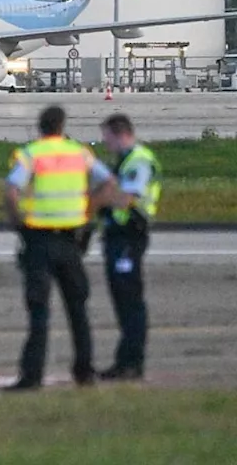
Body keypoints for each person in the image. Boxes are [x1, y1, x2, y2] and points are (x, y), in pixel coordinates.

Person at [2, 105, 116, 392]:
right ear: (62, 126)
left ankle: (32, 376)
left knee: (39, 311)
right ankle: (84, 371)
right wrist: (88, 212)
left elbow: (11, 190)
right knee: (78, 309)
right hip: (70, 240)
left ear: (40, 127)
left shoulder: (31, 154)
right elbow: (109, 183)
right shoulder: (79, 153)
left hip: (38, 239)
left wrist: (19, 223)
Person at [97, 113, 161, 381]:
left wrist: (101, 197)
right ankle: (125, 360)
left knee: (130, 299)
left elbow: (127, 199)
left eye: (107, 138)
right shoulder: (123, 161)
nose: (106, 143)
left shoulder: (139, 161)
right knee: (122, 299)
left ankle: (133, 362)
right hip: (117, 237)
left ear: (119, 133)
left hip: (129, 237)